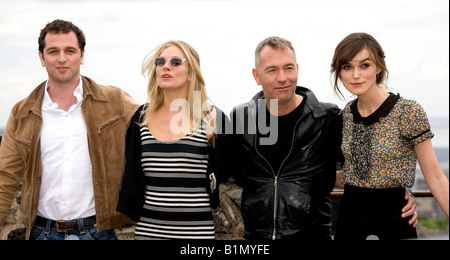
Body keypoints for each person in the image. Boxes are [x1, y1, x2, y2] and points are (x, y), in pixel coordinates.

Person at [229, 36, 417, 240]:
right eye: (272, 70)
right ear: (257, 76)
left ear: (297, 70)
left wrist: (396, 194)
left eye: (288, 68)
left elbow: (362, 169)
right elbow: (228, 169)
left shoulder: (327, 118)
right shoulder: (241, 117)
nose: (282, 77)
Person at [0, 19, 139, 240]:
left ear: (82, 55)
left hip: (99, 233)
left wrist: (213, 124)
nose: (62, 58)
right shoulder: (21, 113)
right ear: (41, 57)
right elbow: (5, 178)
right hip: (42, 233)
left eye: (70, 51)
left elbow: (155, 121)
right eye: (53, 51)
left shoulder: (115, 101)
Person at [331, 32, 449, 240]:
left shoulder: (408, 111)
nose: (356, 74)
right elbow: (353, 174)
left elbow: (436, 178)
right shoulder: (345, 115)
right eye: (347, 67)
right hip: (350, 222)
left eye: (364, 65)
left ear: (378, 67)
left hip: (394, 221)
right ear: (340, 72)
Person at [116, 40, 230, 240]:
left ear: (190, 73)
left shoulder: (211, 118)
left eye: (176, 62)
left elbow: (229, 166)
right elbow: (132, 172)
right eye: (160, 62)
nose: (165, 66)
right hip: (148, 233)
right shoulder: (141, 118)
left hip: (197, 236)